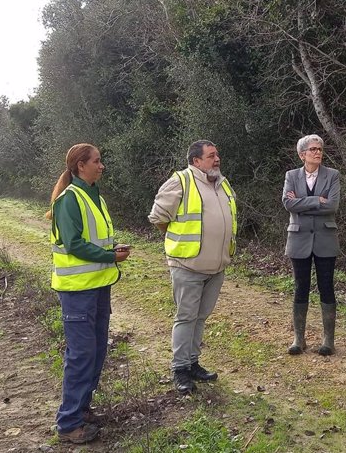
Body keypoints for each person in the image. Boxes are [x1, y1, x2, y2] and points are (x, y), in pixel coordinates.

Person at [48, 143, 130, 444]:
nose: (102, 165)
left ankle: (81, 410)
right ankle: (69, 423)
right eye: (97, 161)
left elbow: (92, 239)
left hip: (97, 288)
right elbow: (74, 245)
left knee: (95, 353)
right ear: (81, 166)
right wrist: (110, 256)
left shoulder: (94, 196)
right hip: (77, 293)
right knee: (82, 355)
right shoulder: (70, 199)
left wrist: (112, 249)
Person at [148, 140, 237, 394]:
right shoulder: (181, 181)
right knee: (186, 317)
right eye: (211, 156)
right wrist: (177, 238)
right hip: (188, 265)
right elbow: (158, 217)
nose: (216, 159)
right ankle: (180, 370)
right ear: (196, 161)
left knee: (200, 317)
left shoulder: (221, 182)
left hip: (216, 266)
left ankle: (193, 362)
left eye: (217, 154)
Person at [283, 135, 341, 356]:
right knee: (301, 286)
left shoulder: (332, 175)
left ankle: (328, 340)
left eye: (320, 149)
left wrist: (302, 203)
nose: (318, 152)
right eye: (313, 149)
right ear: (302, 154)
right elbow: (287, 203)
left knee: (327, 285)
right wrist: (318, 200)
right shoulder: (291, 175)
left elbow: (333, 205)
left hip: (325, 238)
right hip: (298, 239)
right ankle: (299, 338)